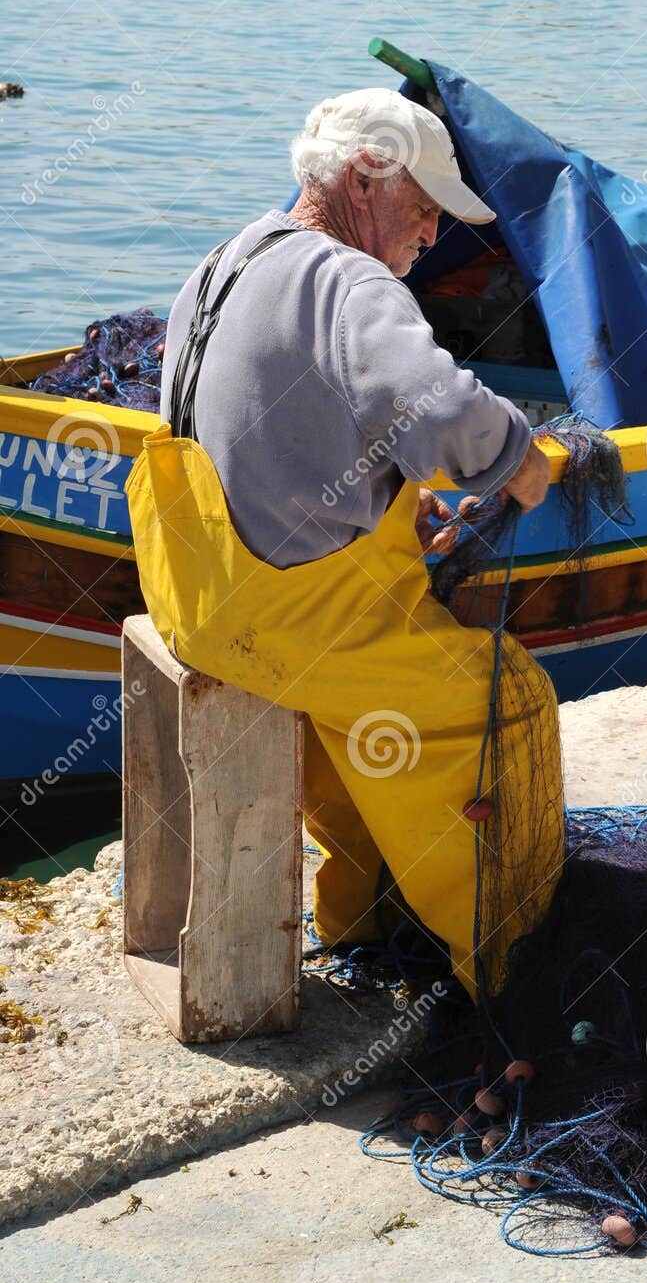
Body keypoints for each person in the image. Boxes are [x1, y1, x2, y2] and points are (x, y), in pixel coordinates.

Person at [126, 89, 564, 1000]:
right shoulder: (349, 278)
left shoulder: (227, 257)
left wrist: (390, 503)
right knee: (507, 701)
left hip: (193, 592)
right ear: (366, 175)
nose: (434, 233)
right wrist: (516, 458)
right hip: (288, 618)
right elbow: (444, 413)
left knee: (363, 734)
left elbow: (268, 437)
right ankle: (513, 962)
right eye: (425, 206)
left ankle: (366, 920)